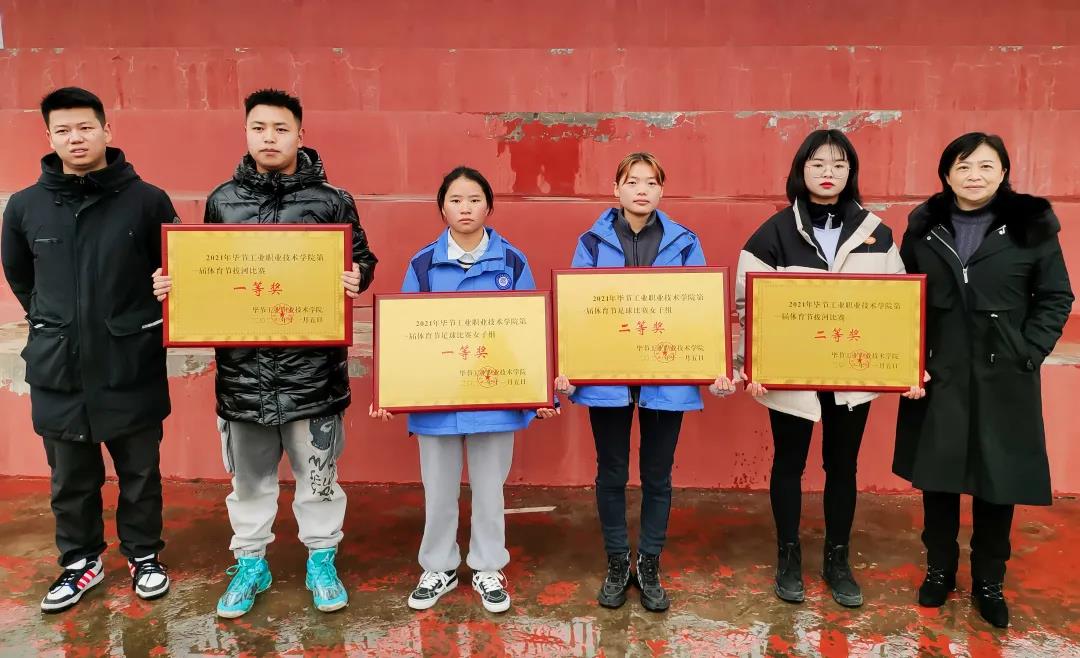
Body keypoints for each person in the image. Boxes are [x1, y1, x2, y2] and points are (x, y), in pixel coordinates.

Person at [152, 88, 378, 618]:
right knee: (249, 482)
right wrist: (175, 286)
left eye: (281, 128)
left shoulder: (332, 200)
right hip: (243, 374)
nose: (269, 138)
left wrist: (357, 276)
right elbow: (207, 272)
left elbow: (362, 257)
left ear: (300, 134)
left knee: (319, 478)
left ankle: (321, 560)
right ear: (246, 133)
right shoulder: (222, 200)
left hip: (312, 374)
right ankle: (251, 562)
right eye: (259, 128)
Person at [2, 87, 175, 612]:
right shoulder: (25, 206)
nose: (75, 138)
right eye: (63, 130)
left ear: (106, 130)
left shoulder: (147, 200)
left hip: (129, 359)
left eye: (85, 127)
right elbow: (20, 276)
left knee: (140, 472)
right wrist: (55, 322)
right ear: (49, 136)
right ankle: (81, 562)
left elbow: (173, 269)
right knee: (70, 477)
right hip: (59, 365)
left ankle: (144, 555)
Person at [893, 132, 1073, 628]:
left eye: (986, 166)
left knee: (999, 481)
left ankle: (989, 581)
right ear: (947, 174)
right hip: (941, 371)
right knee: (938, 478)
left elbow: (1056, 296)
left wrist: (1028, 351)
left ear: (1004, 172)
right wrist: (907, 360)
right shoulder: (924, 227)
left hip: (1004, 375)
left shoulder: (1032, 225)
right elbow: (901, 300)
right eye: (964, 166)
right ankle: (940, 570)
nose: (975, 176)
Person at [734, 129, 913, 608]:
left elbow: (899, 303)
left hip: (852, 373)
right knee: (788, 464)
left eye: (838, 164)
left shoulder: (877, 232)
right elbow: (746, 305)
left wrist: (906, 365)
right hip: (790, 375)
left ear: (851, 172)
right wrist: (752, 363)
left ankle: (838, 559)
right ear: (801, 170)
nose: (828, 173)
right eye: (817, 164)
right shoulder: (773, 233)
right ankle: (788, 556)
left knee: (842, 465)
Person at [370, 166, 559, 614]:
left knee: (490, 490)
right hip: (437, 400)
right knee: (438, 491)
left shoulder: (513, 262)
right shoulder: (422, 264)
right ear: (442, 208)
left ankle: (488, 567)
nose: (465, 208)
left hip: (495, 398)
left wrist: (542, 393)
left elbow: (529, 331)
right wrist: (389, 389)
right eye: (455, 200)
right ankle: (438, 567)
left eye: (474, 199)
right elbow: (404, 333)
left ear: (488, 206)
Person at [553, 152, 735, 613]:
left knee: (658, 475)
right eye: (632, 181)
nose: (641, 190)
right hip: (607, 378)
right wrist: (568, 367)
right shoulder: (591, 242)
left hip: (666, 377)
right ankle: (618, 562)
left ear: (661, 190)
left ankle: (649, 563)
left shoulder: (685, 242)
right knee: (612, 473)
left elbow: (699, 312)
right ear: (616, 189)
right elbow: (575, 312)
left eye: (651, 182)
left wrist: (713, 365)